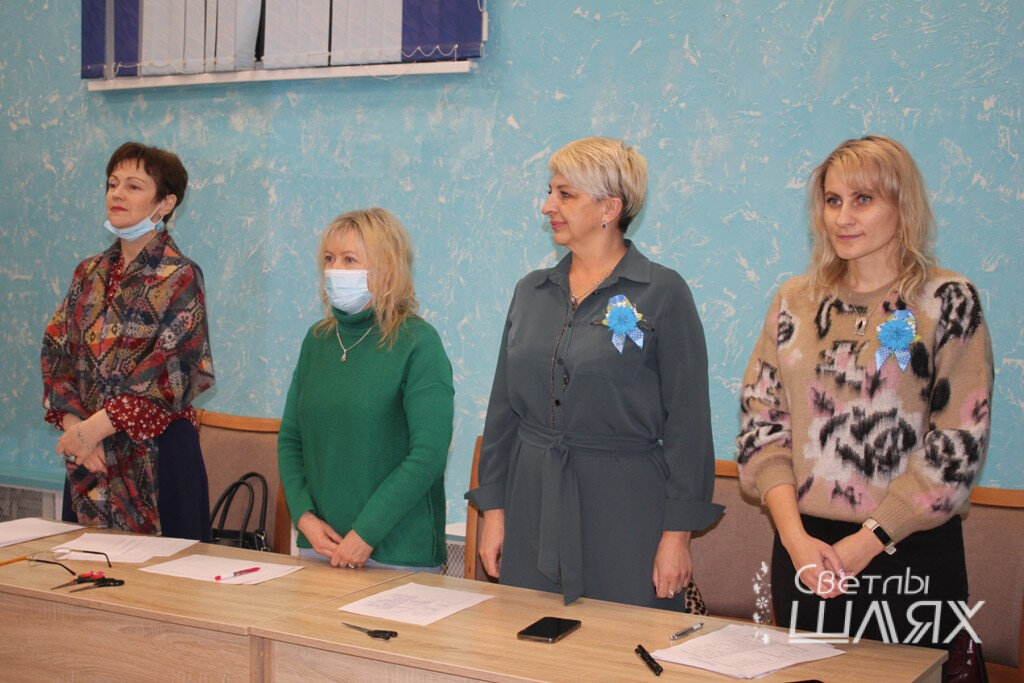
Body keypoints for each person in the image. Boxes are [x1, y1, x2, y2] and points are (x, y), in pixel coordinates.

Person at [737, 135, 993, 650]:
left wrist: (868, 541)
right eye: (833, 201)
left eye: (863, 199)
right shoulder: (795, 300)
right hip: (805, 553)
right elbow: (761, 427)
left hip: (909, 553)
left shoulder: (947, 300)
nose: (843, 217)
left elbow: (957, 445)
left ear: (903, 206)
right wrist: (795, 540)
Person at [466, 137, 722, 608]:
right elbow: (502, 413)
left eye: (565, 194)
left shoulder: (663, 293)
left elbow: (689, 425)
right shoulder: (530, 292)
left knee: (623, 645)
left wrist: (677, 536)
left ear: (610, 207)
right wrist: (495, 512)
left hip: (625, 512)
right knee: (525, 638)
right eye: (550, 192)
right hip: (532, 506)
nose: (547, 206)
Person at [41, 141, 215, 539]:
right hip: (90, 458)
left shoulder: (181, 276)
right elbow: (56, 354)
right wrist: (77, 431)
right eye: (112, 184)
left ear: (165, 203)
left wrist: (93, 431)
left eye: (133, 186)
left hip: (159, 455)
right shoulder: (87, 273)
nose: (117, 194)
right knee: (86, 568)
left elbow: (172, 371)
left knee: (166, 576)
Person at [278, 208, 454, 571]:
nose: (335, 269)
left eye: (349, 259)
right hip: (320, 547)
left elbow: (428, 454)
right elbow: (291, 440)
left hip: (398, 553)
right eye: (329, 259)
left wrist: (365, 534)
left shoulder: (418, 342)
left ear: (386, 268)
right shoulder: (317, 340)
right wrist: (304, 518)